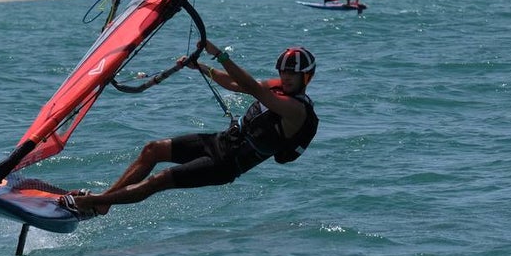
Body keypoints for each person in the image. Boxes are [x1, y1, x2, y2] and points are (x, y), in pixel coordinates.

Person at [59, 42, 319, 218]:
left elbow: (252, 87)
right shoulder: (278, 87)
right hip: (221, 141)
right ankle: (103, 202)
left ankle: (91, 202)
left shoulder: (297, 111)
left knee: (159, 181)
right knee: (153, 150)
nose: (286, 78)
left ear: (307, 77)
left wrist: (219, 54)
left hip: (226, 164)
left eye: (293, 75)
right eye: (284, 73)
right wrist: (203, 68)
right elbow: (233, 83)